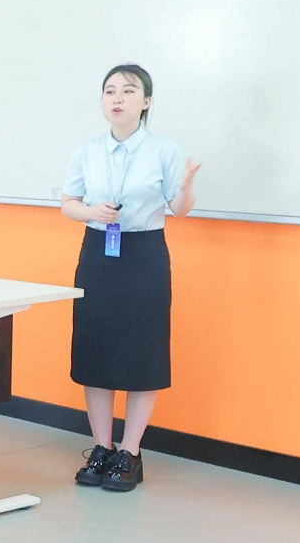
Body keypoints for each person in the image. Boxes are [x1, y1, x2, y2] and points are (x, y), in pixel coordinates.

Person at [59, 64, 202, 493]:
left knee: (143, 352)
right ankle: (101, 448)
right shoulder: (87, 151)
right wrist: (92, 212)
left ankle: (130, 452)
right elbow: (68, 203)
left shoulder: (164, 151)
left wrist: (186, 187)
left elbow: (180, 208)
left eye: (128, 91)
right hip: (98, 253)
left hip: (144, 255)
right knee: (96, 351)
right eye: (110, 91)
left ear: (146, 101)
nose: (117, 98)